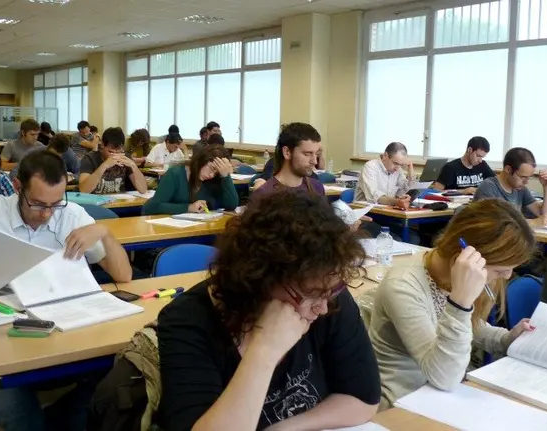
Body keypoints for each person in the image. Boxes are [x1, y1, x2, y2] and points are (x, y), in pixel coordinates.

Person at [0, 150, 133, 431]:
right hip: (10, 328)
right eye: (38, 204)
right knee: (13, 404)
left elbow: (124, 275)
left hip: (68, 324)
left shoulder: (71, 213)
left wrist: (103, 232)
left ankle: (57, 418)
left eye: (55, 204)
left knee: (118, 374)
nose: (47, 214)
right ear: (17, 188)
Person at [157, 190, 381, 431]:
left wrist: (284, 428)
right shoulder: (187, 320)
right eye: (311, 294)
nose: (323, 307)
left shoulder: (325, 290)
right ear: (261, 278)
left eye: (333, 291)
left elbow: (363, 399)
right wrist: (264, 351)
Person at [359, 199, 537, 408]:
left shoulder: (457, 275)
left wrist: (506, 338)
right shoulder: (403, 285)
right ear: (464, 257)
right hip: (401, 402)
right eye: (500, 270)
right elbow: (443, 376)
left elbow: (472, 326)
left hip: (442, 397)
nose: (507, 276)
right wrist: (460, 303)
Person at [142, 145, 238, 215]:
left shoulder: (213, 180)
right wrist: (188, 208)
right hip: (165, 228)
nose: (211, 175)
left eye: (217, 173)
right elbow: (152, 207)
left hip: (195, 228)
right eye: (212, 169)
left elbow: (231, 206)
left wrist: (226, 176)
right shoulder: (175, 174)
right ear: (202, 160)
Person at [473, 147, 547, 225]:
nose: (526, 182)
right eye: (523, 177)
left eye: (529, 177)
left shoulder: (520, 189)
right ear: (508, 169)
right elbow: (491, 224)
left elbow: (546, 216)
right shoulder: (488, 187)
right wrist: (533, 223)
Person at [253, 122, 326, 198]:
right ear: (287, 152)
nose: (314, 161)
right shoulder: (264, 194)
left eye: (316, 154)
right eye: (307, 154)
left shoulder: (317, 188)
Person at [78, 127, 147, 194]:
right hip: (95, 202)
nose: (115, 155)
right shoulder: (90, 158)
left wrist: (133, 166)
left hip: (118, 202)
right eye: (111, 152)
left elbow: (143, 190)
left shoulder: (125, 158)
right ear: (102, 145)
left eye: (119, 152)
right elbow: (84, 190)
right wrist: (104, 166)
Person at [354, 142, 415, 207]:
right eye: (395, 163)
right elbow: (375, 197)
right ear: (385, 155)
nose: (397, 167)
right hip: (366, 211)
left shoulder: (397, 169)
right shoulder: (370, 166)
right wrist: (397, 201)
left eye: (401, 164)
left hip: (388, 210)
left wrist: (410, 171)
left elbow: (403, 192)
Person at [431, 136, 496, 194]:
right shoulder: (450, 168)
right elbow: (436, 191)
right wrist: (463, 191)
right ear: (470, 150)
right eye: (478, 156)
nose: (480, 160)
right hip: (454, 204)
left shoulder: (482, 165)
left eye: (482, 157)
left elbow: (496, 183)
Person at [9, 134, 80, 180]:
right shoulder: (33, 153)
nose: (53, 157)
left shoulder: (68, 153)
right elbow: (14, 173)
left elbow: (80, 172)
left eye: (58, 156)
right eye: (52, 153)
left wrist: (71, 177)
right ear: (49, 144)